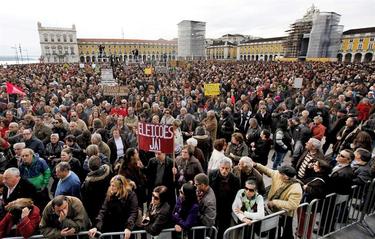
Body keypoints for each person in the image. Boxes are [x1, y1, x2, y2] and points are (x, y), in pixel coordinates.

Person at [252, 163, 302, 239]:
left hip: (285, 214)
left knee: (287, 232)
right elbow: (268, 171)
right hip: (273, 211)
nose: (278, 173)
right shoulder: (278, 175)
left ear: (286, 177)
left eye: (281, 173)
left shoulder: (296, 189)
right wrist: (256, 165)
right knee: (273, 229)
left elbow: (292, 205)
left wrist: (274, 202)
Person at [209, 157, 240, 238]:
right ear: (219, 167)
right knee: (212, 227)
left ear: (230, 169)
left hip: (226, 208)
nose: (224, 171)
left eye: (227, 168)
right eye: (222, 168)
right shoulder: (212, 174)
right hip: (214, 206)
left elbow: (235, 196)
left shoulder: (235, 180)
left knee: (223, 229)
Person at [81, 155, 112, 223]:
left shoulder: (87, 183)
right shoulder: (108, 172)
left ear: (89, 166)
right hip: (109, 206)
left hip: (95, 211)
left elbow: (85, 200)